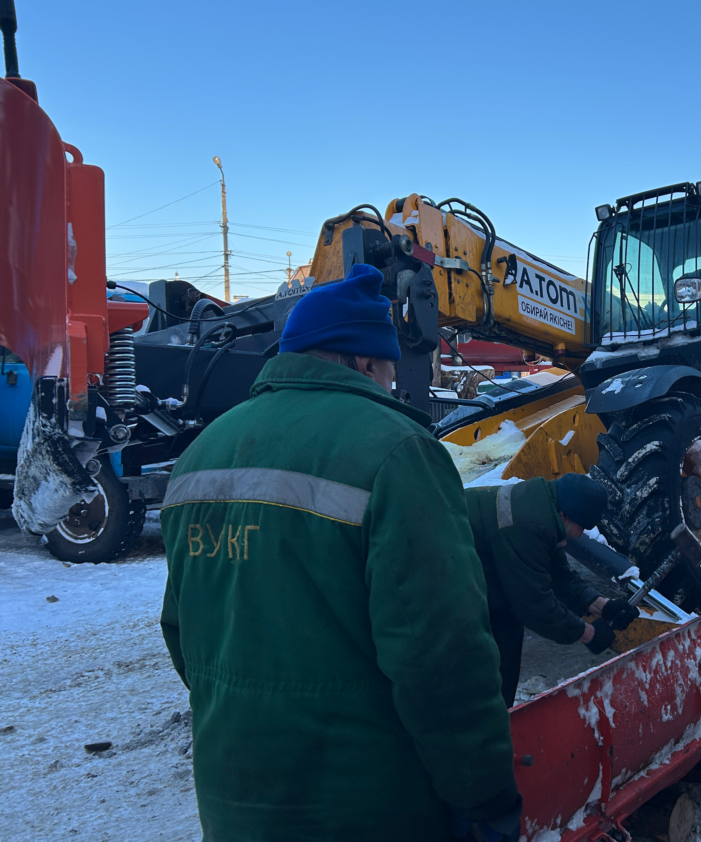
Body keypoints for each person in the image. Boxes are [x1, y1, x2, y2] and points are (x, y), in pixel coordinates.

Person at [159, 264, 521, 842]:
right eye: (390, 368)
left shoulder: (200, 455)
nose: (392, 384)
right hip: (367, 807)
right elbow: (441, 656)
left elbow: (182, 632)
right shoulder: (398, 452)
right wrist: (485, 794)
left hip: (233, 805)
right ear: (362, 360)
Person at [466, 474, 639, 707]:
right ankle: (486, 727)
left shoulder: (547, 509)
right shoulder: (529, 526)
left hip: (481, 566)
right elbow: (535, 605)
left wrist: (602, 605)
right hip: (446, 577)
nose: (580, 535)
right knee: (483, 665)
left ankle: (499, 720)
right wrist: (588, 634)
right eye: (581, 527)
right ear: (563, 514)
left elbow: (558, 576)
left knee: (507, 630)